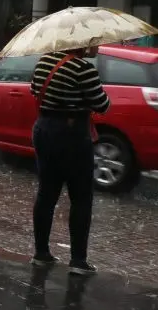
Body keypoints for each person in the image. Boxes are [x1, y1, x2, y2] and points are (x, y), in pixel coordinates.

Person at [29, 46, 109, 275]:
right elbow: (102, 105)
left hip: (44, 129)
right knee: (81, 197)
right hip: (72, 134)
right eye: (93, 41)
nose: (97, 45)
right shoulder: (85, 69)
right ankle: (78, 260)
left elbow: (34, 90)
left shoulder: (44, 62)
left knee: (47, 193)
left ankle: (41, 254)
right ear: (82, 44)